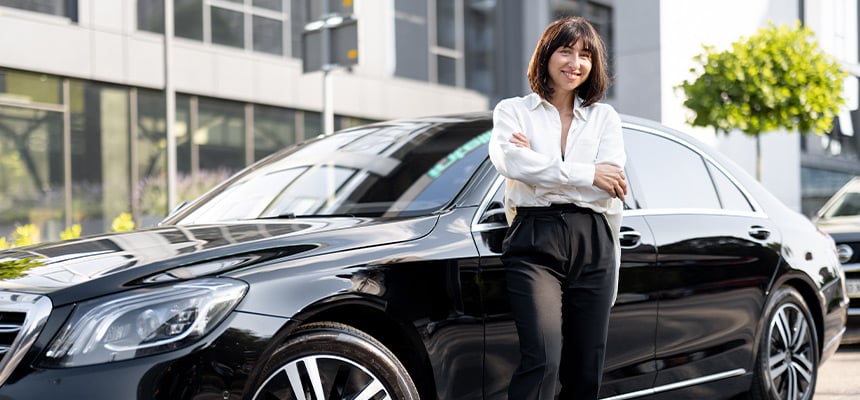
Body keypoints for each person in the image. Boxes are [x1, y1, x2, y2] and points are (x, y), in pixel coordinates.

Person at [487, 16, 627, 400]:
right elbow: (511, 163)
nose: (575, 63)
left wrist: (541, 167)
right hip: (535, 239)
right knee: (542, 361)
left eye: (585, 55)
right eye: (566, 51)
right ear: (546, 55)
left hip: (593, 240)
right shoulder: (513, 111)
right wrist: (587, 174)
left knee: (585, 368)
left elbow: (609, 185)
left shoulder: (604, 118)